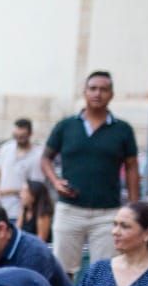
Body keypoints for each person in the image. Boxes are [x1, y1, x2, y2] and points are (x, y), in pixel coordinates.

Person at [43, 70, 140, 274]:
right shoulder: (66, 126)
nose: (98, 93)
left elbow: (132, 167)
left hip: (108, 213)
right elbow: (45, 159)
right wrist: (56, 181)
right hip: (69, 210)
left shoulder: (123, 130)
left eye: (103, 89)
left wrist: (133, 207)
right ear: (84, 92)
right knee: (61, 271)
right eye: (93, 88)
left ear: (111, 94)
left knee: (105, 273)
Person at [0, 118, 42, 216]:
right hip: (0, 206)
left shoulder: (37, 155)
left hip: (20, 210)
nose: (19, 139)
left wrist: (7, 192)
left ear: (30, 134)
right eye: (16, 136)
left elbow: (36, 187)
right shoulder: (6, 148)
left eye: (22, 136)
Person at [19, 177, 54, 243]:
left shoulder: (43, 213)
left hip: (38, 249)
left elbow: (41, 241)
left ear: (33, 195)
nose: (20, 195)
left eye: (24, 191)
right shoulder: (24, 209)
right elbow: (17, 232)